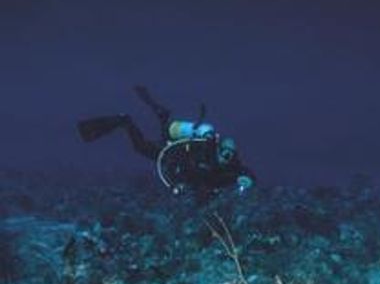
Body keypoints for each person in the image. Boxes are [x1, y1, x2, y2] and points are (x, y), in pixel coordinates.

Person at [77, 85, 255, 199]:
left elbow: (247, 173)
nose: (226, 157)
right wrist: (178, 183)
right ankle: (125, 121)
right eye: (224, 152)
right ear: (218, 147)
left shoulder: (231, 166)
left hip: (180, 161)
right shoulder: (204, 149)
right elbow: (181, 166)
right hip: (171, 154)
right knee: (141, 147)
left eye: (230, 155)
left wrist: (248, 179)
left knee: (164, 126)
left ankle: (162, 115)